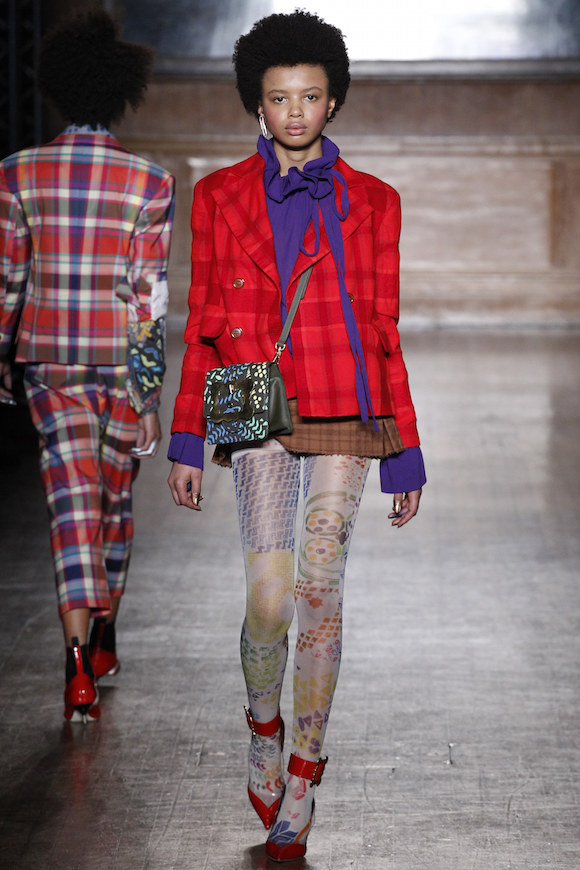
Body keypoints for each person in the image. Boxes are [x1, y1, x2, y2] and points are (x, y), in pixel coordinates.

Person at [167, 10, 425, 862]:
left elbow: (383, 327)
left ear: (333, 100)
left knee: (320, 587)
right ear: (257, 102)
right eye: (279, 98)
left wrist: (406, 454)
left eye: (311, 97)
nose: (295, 112)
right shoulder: (218, 197)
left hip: (347, 412)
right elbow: (202, 322)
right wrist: (185, 441)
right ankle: (262, 726)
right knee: (270, 599)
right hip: (259, 412)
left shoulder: (374, 202)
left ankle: (306, 771)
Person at [0, 11, 175, 723]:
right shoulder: (149, 181)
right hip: (119, 367)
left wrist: (3, 355)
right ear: (121, 91)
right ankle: (103, 636)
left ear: (57, 88)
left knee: (70, 500)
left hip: (48, 361)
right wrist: (150, 393)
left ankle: (76, 660)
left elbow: (8, 281)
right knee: (114, 502)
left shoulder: (16, 173)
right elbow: (148, 299)